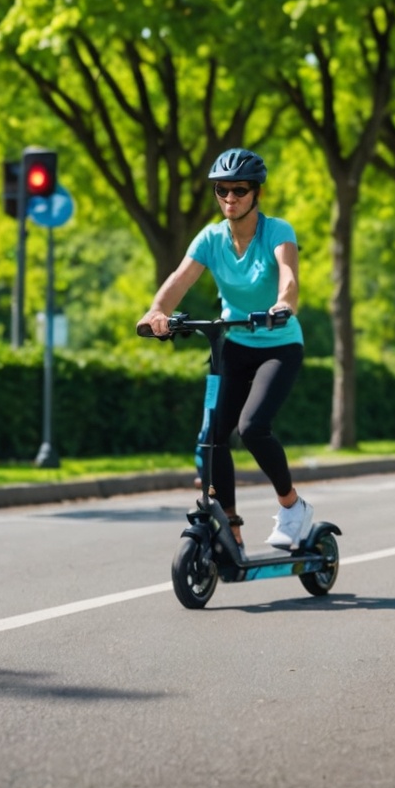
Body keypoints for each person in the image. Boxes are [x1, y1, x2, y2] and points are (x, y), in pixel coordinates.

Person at [140, 148, 313, 551]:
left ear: (256, 193)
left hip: (278, 343)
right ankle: (230, 525)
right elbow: (179, 281)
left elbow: (288, 277)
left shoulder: (277, 231)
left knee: (252, 427)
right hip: (232, 343)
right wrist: (157, 311)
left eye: (239, 190)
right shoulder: (211, 238)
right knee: (214, 436)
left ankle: (292, 506)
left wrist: (283, 305)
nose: (230, 199)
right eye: (222, 191)